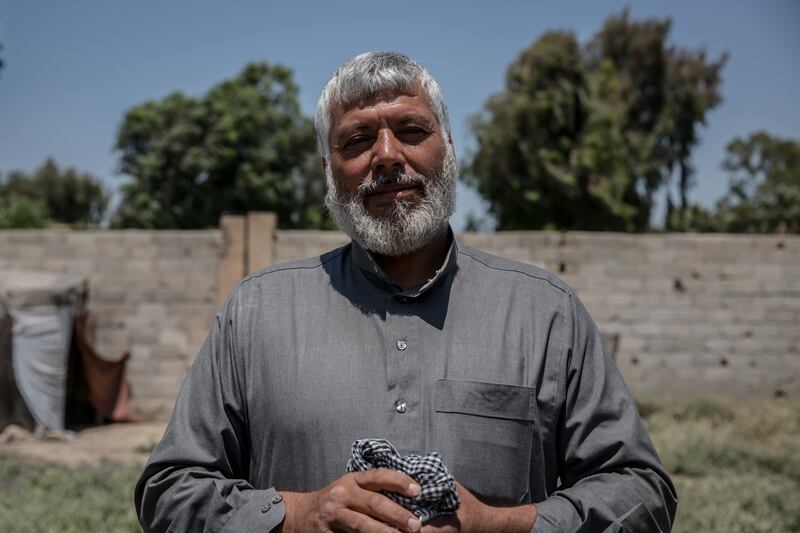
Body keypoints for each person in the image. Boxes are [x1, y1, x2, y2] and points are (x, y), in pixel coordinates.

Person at [135, 51, 677, 533]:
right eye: (357, 140)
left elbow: (641, 494)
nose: (387, 155)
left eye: (412, 130)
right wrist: (299, 516)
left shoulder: (545, 313)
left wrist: (501, 524)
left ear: (449, 149)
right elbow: (168, 491)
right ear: (329, 170)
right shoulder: (255, 312)